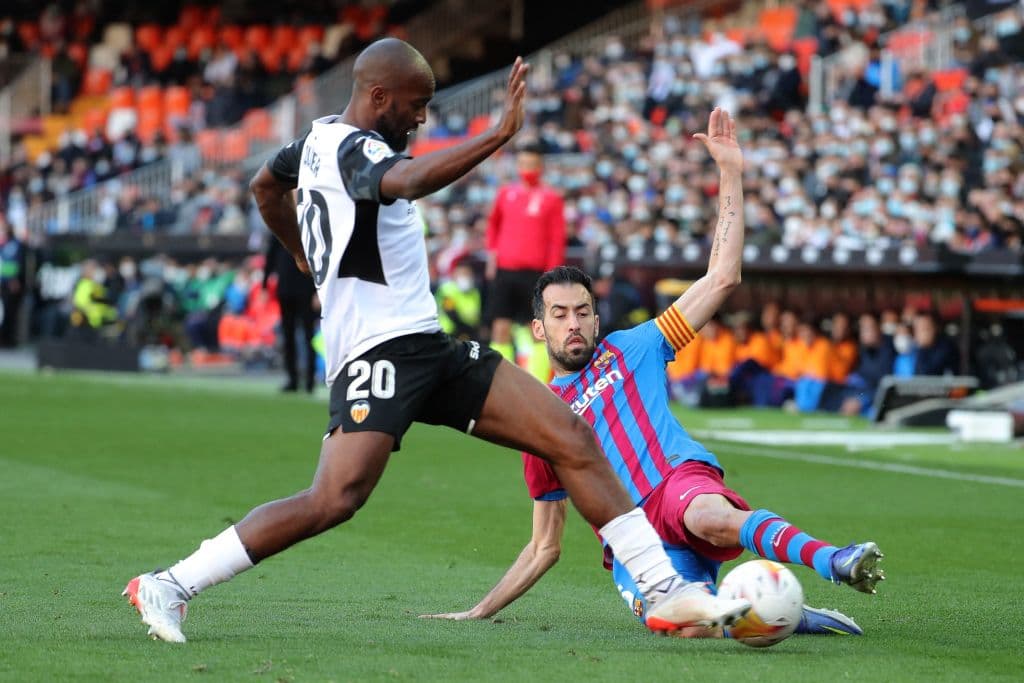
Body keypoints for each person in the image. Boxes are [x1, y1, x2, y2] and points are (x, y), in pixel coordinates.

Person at [122, 40, 750, 644]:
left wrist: (301, 253)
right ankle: (169, 584)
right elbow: (410, 180)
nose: (421, 118)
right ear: (378, 96)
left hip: (425, 345)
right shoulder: (355, 149)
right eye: (415, 105)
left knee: (570, 437)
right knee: (333, 498)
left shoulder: (313, 141)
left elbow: (265, 185)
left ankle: (663, 589)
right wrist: (498, 134)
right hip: (377, 353)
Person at [424, 110, 883, 637]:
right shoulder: (540, 420)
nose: (573, 324)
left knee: (706, 517)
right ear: (538, 328)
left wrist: (730, 173)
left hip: (677, 482)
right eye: (560, 314)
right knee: (688, 626)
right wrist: (480, 610)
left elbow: (722, 277)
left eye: (582, 312)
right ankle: (793, 617)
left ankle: (834, 560)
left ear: (596, 320)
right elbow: (544, 546)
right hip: (633, 542)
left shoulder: (637, 345)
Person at [485, 144, 565, 378]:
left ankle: (538, 384)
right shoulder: (505, 193)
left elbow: (556, 239)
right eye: (522, 164)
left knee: (537, 330)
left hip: (536, 274)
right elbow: (493, 226)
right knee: (500, 328)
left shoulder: (551, 198)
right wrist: (493, 257)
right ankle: (502, 383)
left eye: (531, 164)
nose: (526, 169)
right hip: (505, 271)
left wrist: (552, 276)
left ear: (540, 166)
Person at [265, 235, 319, 392]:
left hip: (306, 290)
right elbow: (271, 255)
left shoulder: (309, 225)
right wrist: (264, 284)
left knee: (309, 336)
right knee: (288, 336)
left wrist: (318, 290)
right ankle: (292, 378)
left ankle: (310, 379)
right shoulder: (281, 226)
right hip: (286, 289)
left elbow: (319, 257)